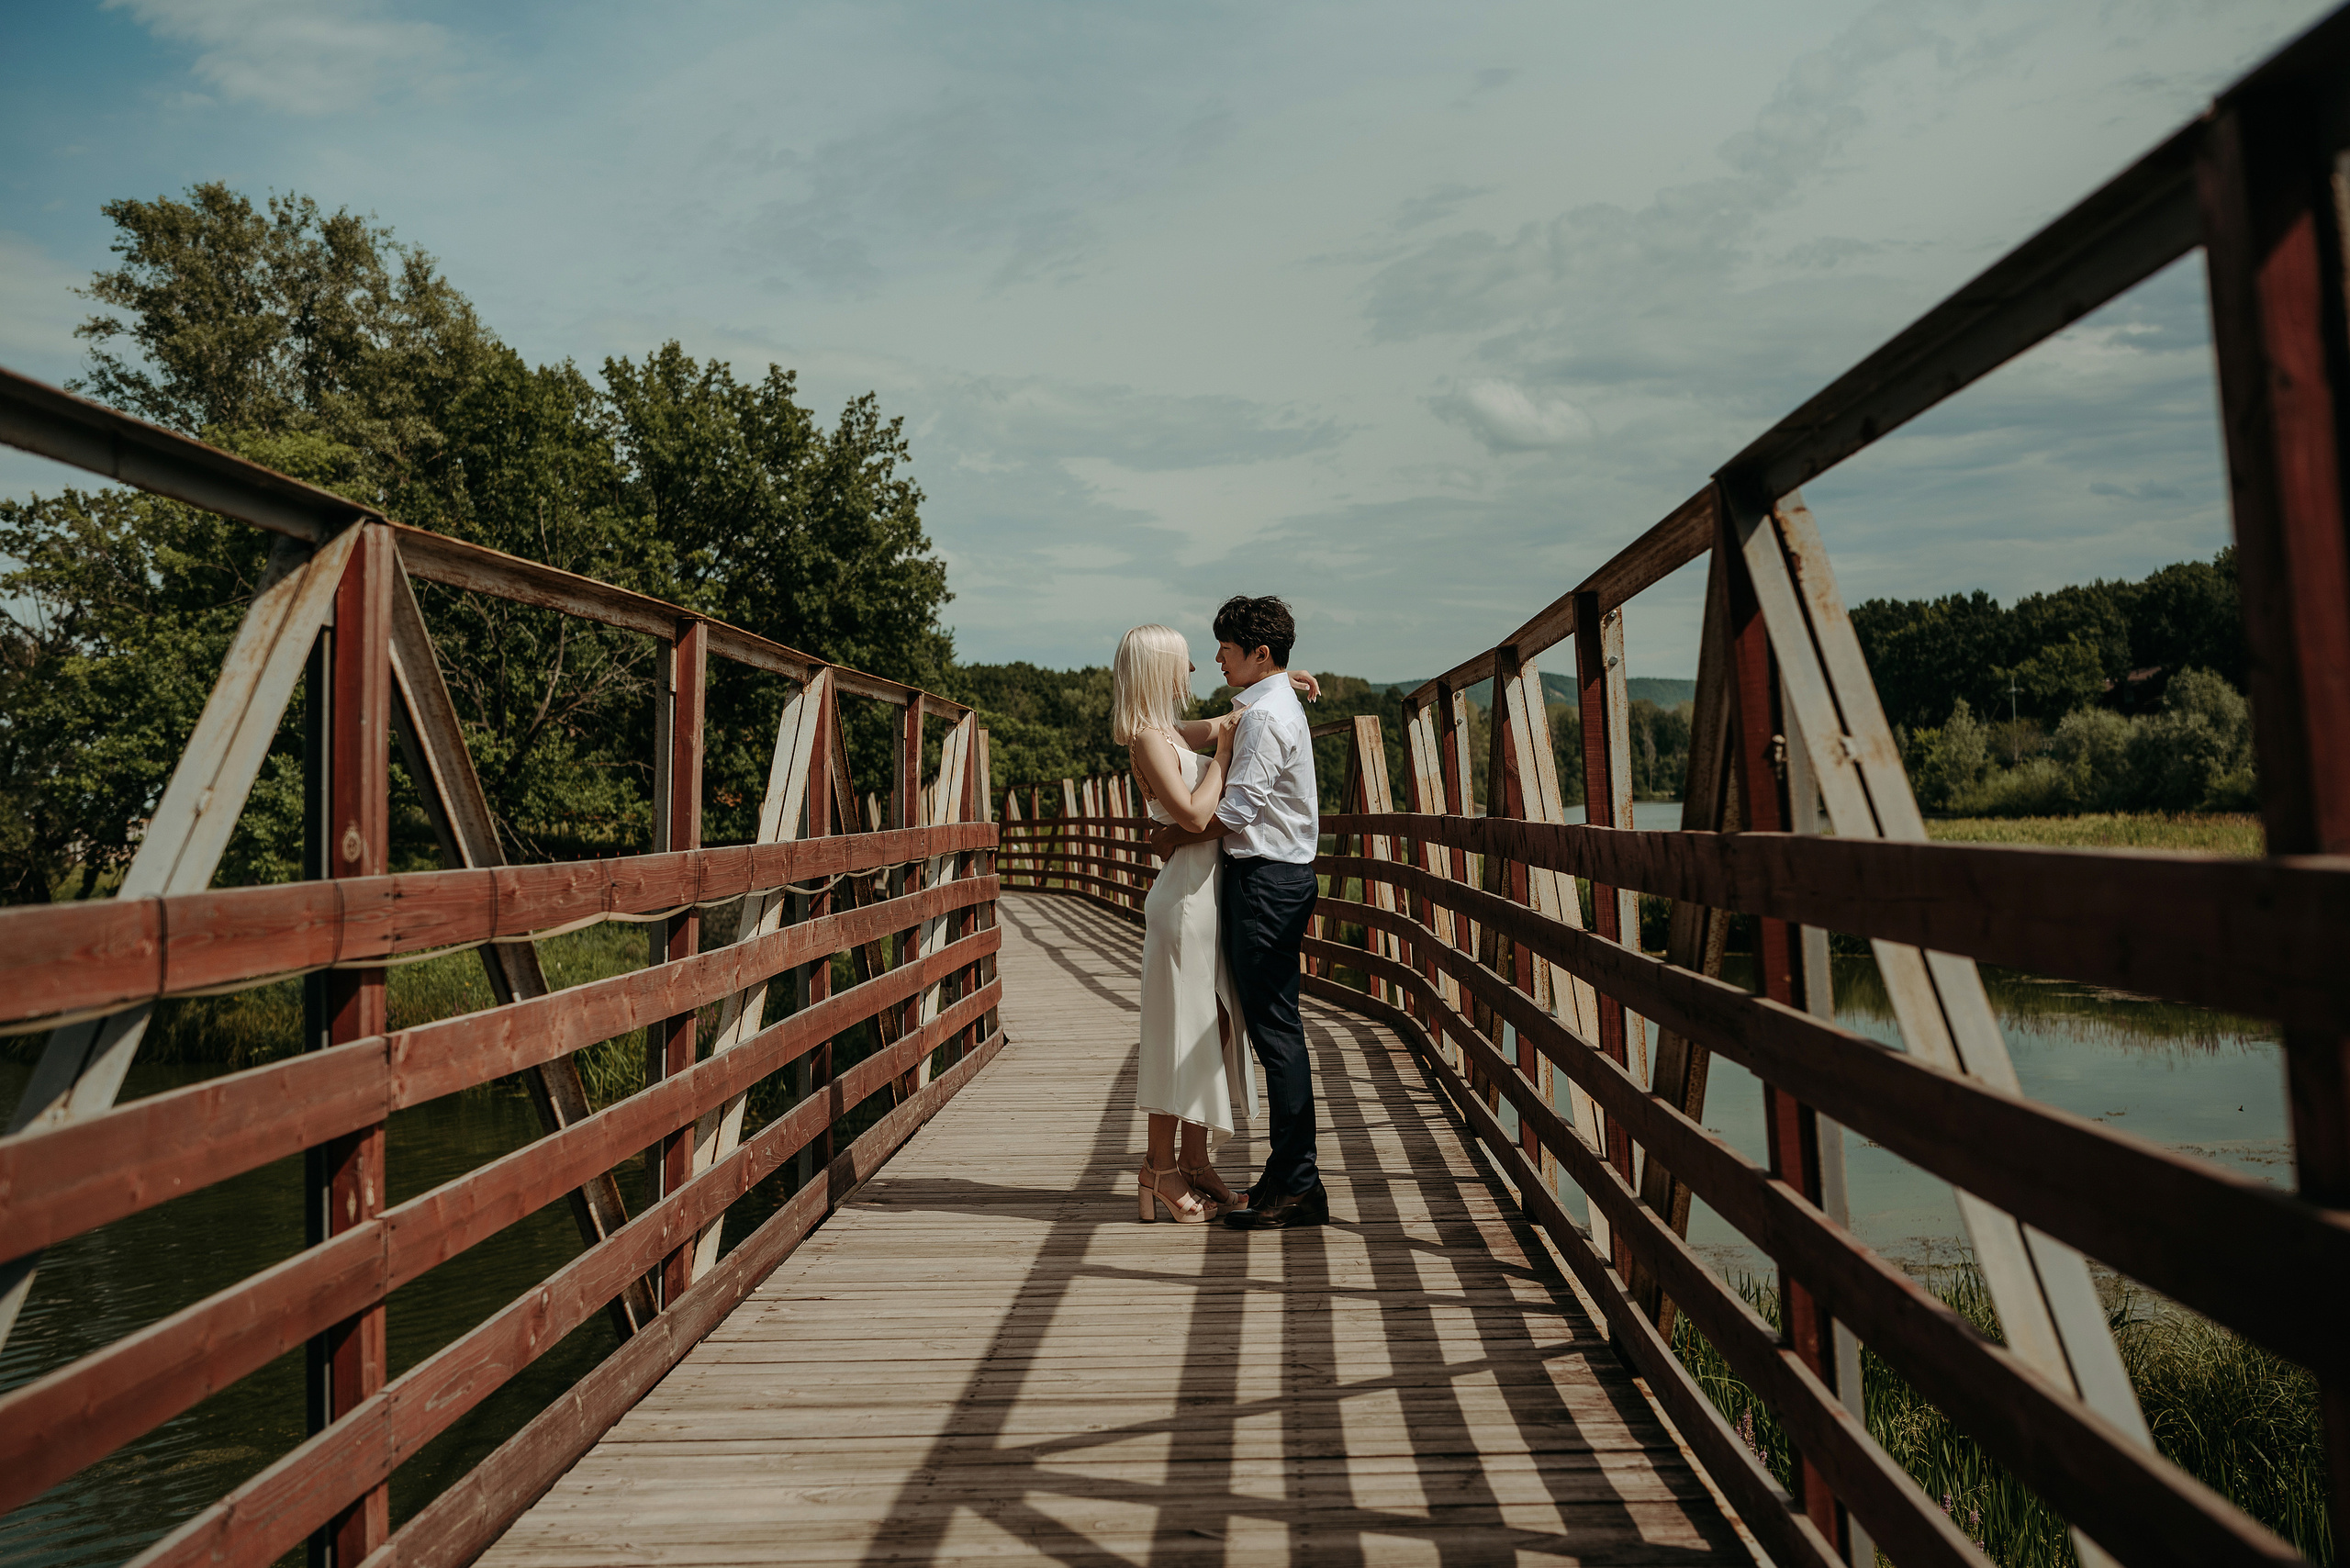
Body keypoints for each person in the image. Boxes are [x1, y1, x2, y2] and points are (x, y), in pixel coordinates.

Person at [1150, 595, 1326, 1230]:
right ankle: (1288, 1177)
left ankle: (1298, 1186)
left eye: (1226, 647)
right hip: (1278, 878)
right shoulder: (1267, 705)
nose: (1216, 656)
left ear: (1259, 653)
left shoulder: (1264, 719)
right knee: (1275, 1029)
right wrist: (1285, 680)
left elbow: (1236, 812)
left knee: (1275, 1033)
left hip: (1266, 882)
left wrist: (1171, 836)